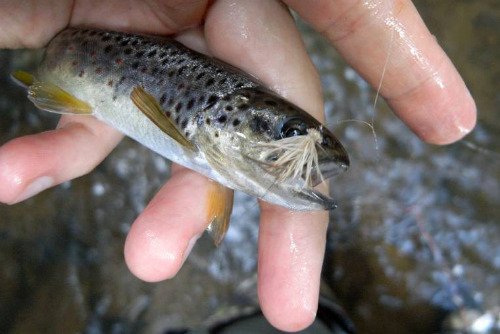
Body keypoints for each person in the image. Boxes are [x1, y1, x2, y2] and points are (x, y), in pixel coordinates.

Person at [0, 0, 476, 332]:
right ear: (226, 115)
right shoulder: (197, 124)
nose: (301, 157)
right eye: (287, 133)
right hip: (73, 50)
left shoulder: (216, 138)